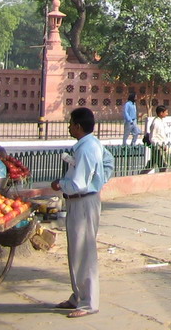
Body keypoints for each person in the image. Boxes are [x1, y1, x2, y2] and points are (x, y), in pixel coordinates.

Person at [50, 107, 114, 318]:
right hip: (82, 202)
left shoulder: (87, 148)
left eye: (70, 123)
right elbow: (108, 162)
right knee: (75, 251)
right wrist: (100, 180)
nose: (69, 127)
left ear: (77, 126)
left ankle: (88, 303)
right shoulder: (90, 144)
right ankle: (78, 296)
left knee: (84, 252)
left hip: (83, 202)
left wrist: (60, 184)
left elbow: (77, 183)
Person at [145, 105, 171, 172]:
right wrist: (161, 145)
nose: (167, 114)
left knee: (151, 164)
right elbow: (152, 138)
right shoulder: (156, 123)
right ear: (161, 113)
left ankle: (141, 176)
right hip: (158, 148)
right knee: (163, 166)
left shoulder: (160, 121)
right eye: (166, 112)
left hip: (161, 146)